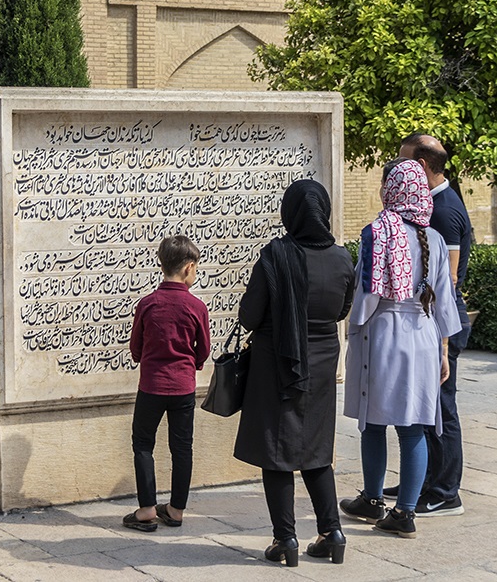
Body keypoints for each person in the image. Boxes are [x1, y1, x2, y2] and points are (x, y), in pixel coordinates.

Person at [233, 179, 355, 567]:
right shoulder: (342, 257)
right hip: (321, 364)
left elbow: (249, 315)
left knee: (278, 452)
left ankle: (285, 539)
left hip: (277, 364)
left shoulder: (275, 255)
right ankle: (332, 533)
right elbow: (341, 311)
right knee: (316, 448)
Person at [341, 158, 460, 539]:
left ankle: (373, 498)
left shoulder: (377, 233)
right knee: (413, 430)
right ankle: (405, 512)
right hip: (424, 336)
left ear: (391, 190)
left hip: (386, 335)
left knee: (374, 423)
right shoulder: (435, 239)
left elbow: (367, 295)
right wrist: (443, 350)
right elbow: (444, 300)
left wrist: (353, 329)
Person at [389, 133, 471, 517]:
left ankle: (444, 490)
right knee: (423, 407)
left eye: (403, 162)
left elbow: (447, 280)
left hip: (439, 323)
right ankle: (420, 480)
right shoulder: (433, 206)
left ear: (421, 166)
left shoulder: (441, 210)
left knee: (441, 407)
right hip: (429, 322)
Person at [123, 235, 211, 532]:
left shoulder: (147, 304)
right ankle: (175, 510)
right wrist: (191, 365)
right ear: (188, 267)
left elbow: (136, 347)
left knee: (143, 444)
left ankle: (147, 509)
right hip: (184, 387)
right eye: (196, 267)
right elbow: (204, 350)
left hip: (151, 386)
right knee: (182, 447)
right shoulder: (197, 307)